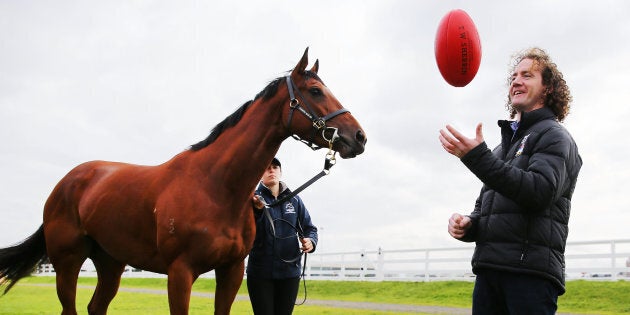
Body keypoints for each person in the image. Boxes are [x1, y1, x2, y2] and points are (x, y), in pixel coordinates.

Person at [438, 47, 582, 314]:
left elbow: (538, 192)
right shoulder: (500, 149)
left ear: (548, 88)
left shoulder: (555, 136)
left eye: (527, 75)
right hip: (489, 271)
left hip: (530, 275)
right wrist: (469, 225)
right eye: (514, 76)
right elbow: (487, 209)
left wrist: (476, 158)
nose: (516, 81)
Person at [246, 157, 318, 315]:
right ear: (260, 173)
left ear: (280, 172)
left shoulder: (295, 200)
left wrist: (310, 241)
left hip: (289, 273)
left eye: (275, 167)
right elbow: (244, 232)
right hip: (260, 274)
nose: (271, 170)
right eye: (267, 167)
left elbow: (309, 228)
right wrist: (257, 211)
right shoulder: (251, 199)